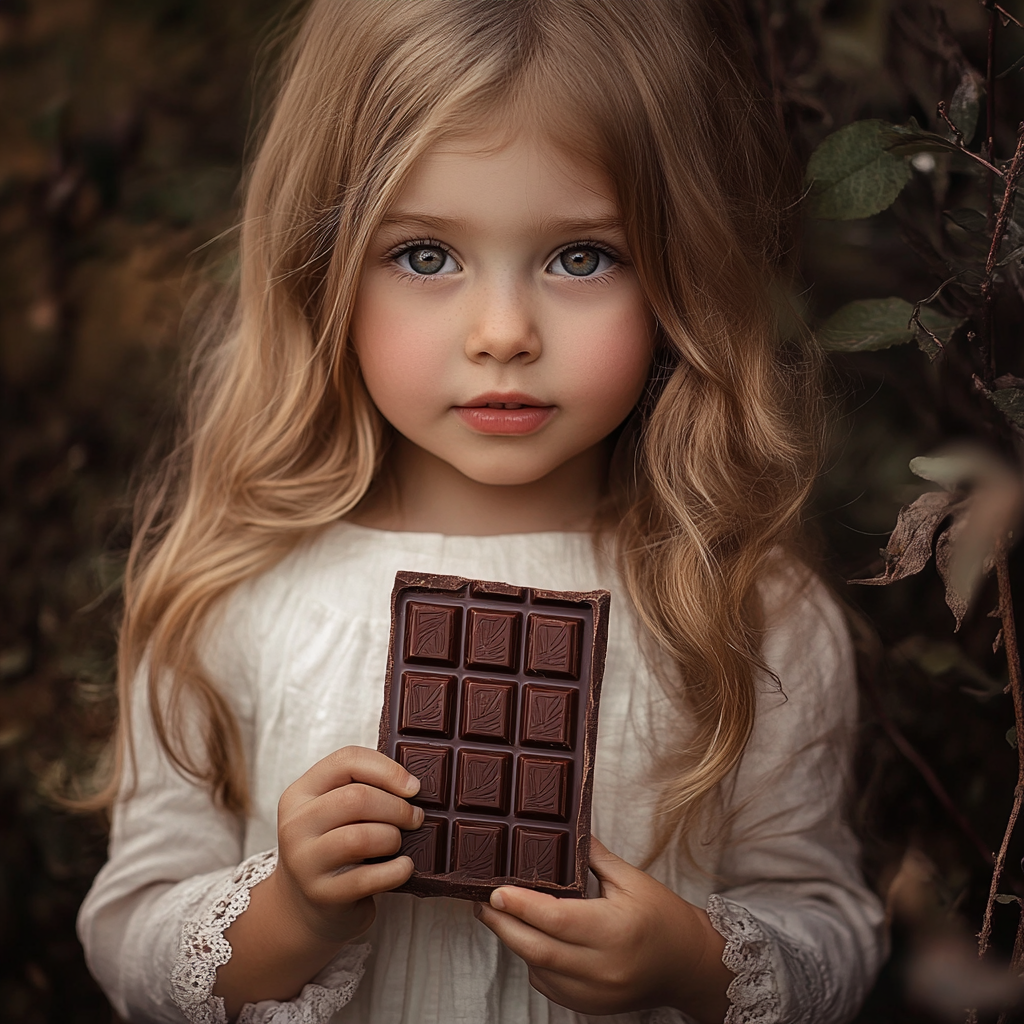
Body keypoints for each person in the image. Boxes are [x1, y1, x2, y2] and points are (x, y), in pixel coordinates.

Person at [77, 1, 886, 1021]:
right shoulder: (234, 595)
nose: (503, 332)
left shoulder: (745, 610)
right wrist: (289, 913)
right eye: (425, 255)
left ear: (678, 271)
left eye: (580, 256)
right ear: (320, 269)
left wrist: (694, 960)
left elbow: (831, 924)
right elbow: (127, 928)